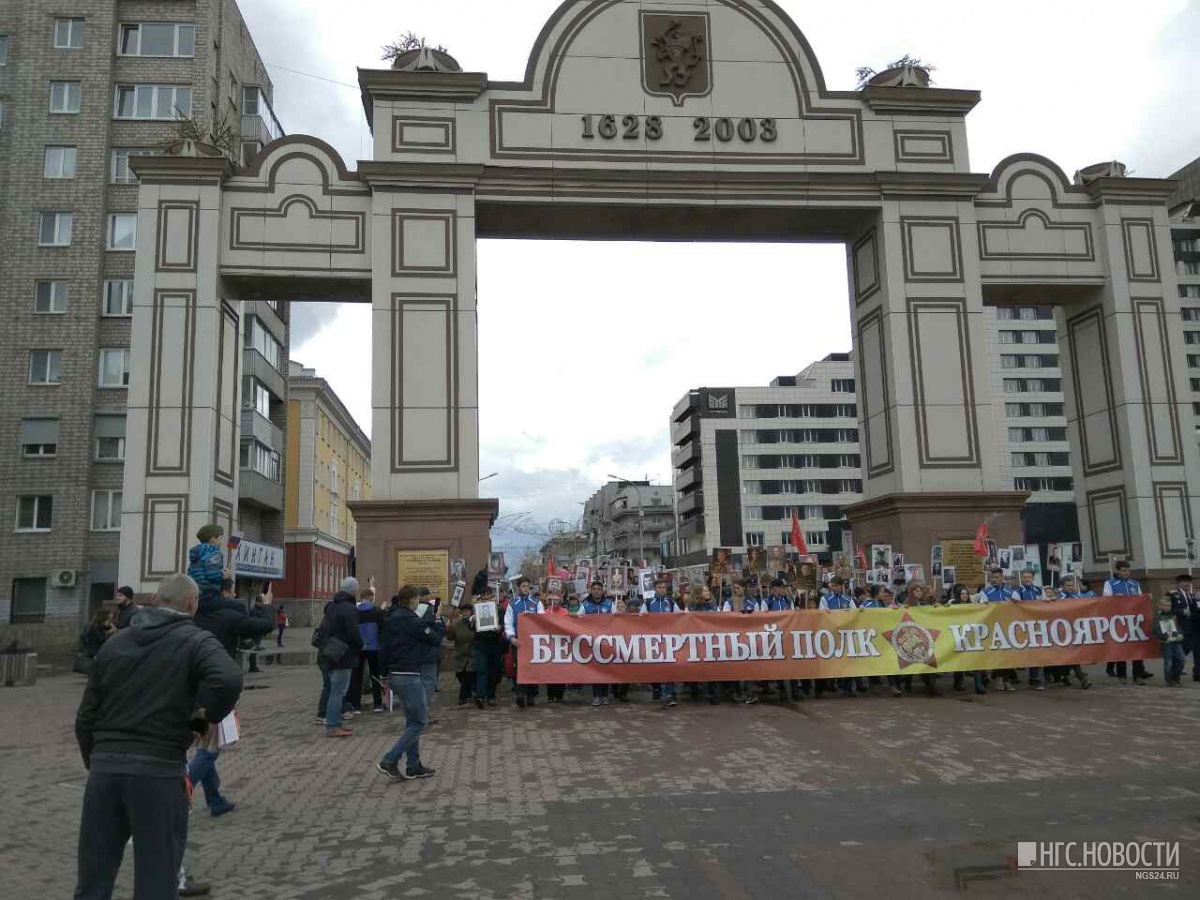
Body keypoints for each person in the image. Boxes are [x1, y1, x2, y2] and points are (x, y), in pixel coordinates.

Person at [74, 573, 242, 900]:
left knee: (93, 878)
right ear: (192, 604)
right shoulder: (196, 641)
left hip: (105, 771)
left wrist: (95, 759)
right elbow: (229, 679)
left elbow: (86, 716)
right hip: (159, 771)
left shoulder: (115, 643)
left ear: (154, 600)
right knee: (157, 878)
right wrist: (200, 722)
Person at [189, 578, 274, 817]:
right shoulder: (227, 617)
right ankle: (180, 787)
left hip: (193, 693)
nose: (235, 593)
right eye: (232, 589)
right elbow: (264, 626)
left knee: (204, 743)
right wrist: (267, 605)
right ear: (224, 593)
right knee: (210, 750)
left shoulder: (192, 617)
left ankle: (215, 800)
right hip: (217, 694)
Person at [376, 585, 444, 781]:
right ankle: (390, 760)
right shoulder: (413, 621)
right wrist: (438, 619)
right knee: (420, 721)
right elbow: (435, 638)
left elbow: (384, 648)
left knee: (411, 720)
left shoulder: (390, 619)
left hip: (396, 674)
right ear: (413, 600)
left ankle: (413, 765)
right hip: (410, 674)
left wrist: (383, 675)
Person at [317, 577, 364, 737]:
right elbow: (353, 632)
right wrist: (361, 644)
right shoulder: (349, 608)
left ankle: (335, 722)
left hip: (331, 652)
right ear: (354, 591)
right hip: (343, 654)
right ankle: (332, 726)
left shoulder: (332, 606)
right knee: (338, 692)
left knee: (334, 690)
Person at [1103, 561, 1150, 685]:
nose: (1126, 573)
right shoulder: (1110, 583)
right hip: (1119, 620)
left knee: (1137, 648)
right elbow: (1105, 600)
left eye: (1128, 570)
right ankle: (1122, 675)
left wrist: (1146, 598)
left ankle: (1138, 676)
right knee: (1121, 649)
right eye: (1123, 570)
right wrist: (1115, 599)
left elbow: (1140, 600)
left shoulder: (1134, 583)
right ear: (1117, 571)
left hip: (1134, 620)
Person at [504, 577, 545, 709]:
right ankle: (520, 694)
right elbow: (508, 623)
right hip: (518, 641)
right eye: (523, 586)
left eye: (528, 586)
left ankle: (531, 694)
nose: (526, 588)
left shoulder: (536, 602)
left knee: (533, 667)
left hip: (534, 641)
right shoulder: (513, 604)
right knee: (519, 667)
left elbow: (543, 619)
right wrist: (511, 638)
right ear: (518, 588)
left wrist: (532, 617)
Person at [643, 576, 680, 707]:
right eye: (659, 587)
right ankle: (656, 689)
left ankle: (670, 693)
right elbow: (641, 620)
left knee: (669, 666)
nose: (662, 590)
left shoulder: (671, 602)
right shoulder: (648, 603)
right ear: (655, 589)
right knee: (655, 667)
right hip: (653, 640)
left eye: (664, 587)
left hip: (669, 639)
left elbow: (680, 618)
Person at [819, 575, 857, 697]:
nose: (833, 588)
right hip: (831, 634)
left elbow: (854, 614)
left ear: (841, 586)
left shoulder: (848, 599)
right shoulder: (825, 599)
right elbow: (822, 614)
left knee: (847, 661)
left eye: (835, 586)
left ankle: (848, 688)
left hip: (846, 634)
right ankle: (827, 685)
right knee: (829, 661)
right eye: (832, 585)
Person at [186, 525, 238, 613]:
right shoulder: (214, 552)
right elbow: (212, 575)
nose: (222, 541)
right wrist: (224, 575)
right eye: (221, 538)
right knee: (236, 607)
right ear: (213, 539)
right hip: (208, 593)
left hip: (196, 593)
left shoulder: (197, 553)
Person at [581, 581, 615, 707]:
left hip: (607, 642)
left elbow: (618, 619)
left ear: (602, 591)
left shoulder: (610, 604)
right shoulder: (585, 605)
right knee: (595, 670)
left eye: (599, 589)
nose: (596, 591)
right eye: (594, 589)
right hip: (592, 642)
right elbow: (577, 621)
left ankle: (605, 696)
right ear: (591, 590)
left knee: (606, 669)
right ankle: (596, 696)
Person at [353, 588, 385, 713]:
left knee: (357, 677)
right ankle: (377, 704)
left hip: (359, 647)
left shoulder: (355, 611)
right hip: (374, 647)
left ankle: (356, 706)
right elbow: (382, 629)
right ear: (371, 597)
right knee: (375, 675)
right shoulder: (377, 611)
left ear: (361, 598)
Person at [471, 587, 504, 708]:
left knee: (494, 671)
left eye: (488, 595)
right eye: (483, 595)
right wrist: (473, 620)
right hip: (480, 644)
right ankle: (480, 696)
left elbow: (505, 625)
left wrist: (500, 628)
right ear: (481, 597)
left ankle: (491, 695)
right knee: (481, 669)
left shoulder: (499, 610)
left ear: (492, 596)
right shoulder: (476, 609)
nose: (486, 598)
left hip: (495, 644)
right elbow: (470, 626)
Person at [1013, 570, 1045, 691]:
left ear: (1033, 578)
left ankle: (1035, 679)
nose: (1027, 579)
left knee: (1036, 652)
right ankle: (1009, 676)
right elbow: (1015, 604)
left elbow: (1044, 603)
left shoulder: (1038, 590)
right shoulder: (1017, 591)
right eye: (1025, 577)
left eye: (1029, 577)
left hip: (1036, 625)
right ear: (1022, 578)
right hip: (1022, 625)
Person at [1168, 574, 1200, 682]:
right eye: (1184, 581)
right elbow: (1167, 610)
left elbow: (1195, 610)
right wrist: (1182, 612)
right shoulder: (1172, 595)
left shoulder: (1191, 595)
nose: (1186, 584)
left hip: (1194, 628)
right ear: (1178, 583)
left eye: (1188, 582)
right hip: (1180, 627)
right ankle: (1173, 673)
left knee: (1196, 650)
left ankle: (1197, 674)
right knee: (1181, 651)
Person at [447, 601, 477, 705]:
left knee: (468, 675)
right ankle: (470, 692)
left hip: (472, 654)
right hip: (460, 654)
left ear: (471, 612)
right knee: (460, 675)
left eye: (467, 611)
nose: (465, 613)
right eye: (463, 611)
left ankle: (462, 696)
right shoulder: (457, 624)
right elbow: (450, 637)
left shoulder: (475, 622)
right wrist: (448, 628)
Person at [1154, 595, 1187, 687]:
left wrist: (1180, 634)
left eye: (1168, 605)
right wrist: (1165, 637)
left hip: (1176, 641)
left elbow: (1178, 627)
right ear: (1159, 606)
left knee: (1182, 659)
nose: (1166, 607)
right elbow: (1155, 630)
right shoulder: (1158, 617)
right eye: (1164, 605)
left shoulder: (1173, 616)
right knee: (1168, 662)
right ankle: (1169, 680)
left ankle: (1176, 677)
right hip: (1166, 643)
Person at [544, 592, 570, 703]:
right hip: (548, 644)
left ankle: (560, 694)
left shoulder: (565, 612)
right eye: (551, 598)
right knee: (550, 670)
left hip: (562, 644)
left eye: (556, 598)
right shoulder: (544, 612)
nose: (553, 600)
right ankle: (550, 694)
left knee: (561, 670)